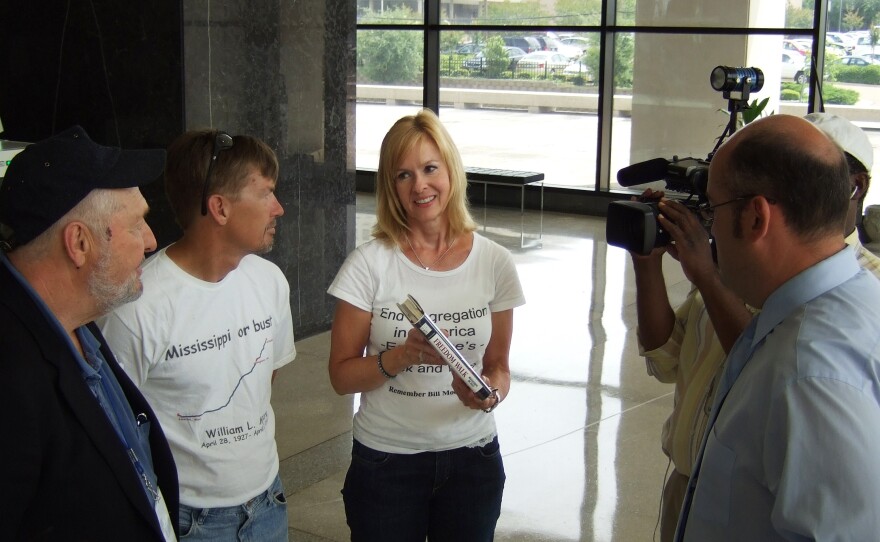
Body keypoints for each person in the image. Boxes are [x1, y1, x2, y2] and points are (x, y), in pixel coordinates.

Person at [632, 111, 880, 541]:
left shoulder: (810, 372)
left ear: (755, 218)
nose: (707, 229)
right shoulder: (838, 306)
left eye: (713, 208)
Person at [327, 108, 525, 541]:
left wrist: (489, 394)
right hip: (386, 463)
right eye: (403, 175)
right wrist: (401, 356)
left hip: (473, 460)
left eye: (430, 168)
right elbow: (342, 377)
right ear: (390, 187)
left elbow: (500, 368)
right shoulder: (369, 264)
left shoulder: (495, 262)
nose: (420, 185)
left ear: (450, 170)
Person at [98, 129, 296, 541]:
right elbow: (115, 428)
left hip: (268, 502)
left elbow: (261, 383)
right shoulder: (138, 307)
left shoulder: (270, 281)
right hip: (191, 521)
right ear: (219, 208)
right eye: (265, 194)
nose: (278, 207)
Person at [0, 125, 178, 540]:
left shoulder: (77, 320)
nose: (152, 241)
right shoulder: (11, 376)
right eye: (136, 226)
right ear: (79, 242)